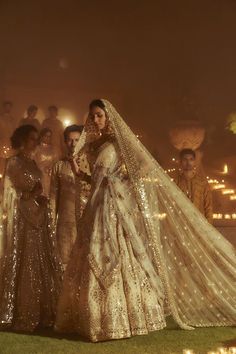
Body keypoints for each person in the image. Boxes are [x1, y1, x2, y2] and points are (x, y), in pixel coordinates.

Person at [55, 99, 236, 342]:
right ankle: (94, 319)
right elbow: (98, 179)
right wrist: (82, 175)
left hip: (115, 212)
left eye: (100, 115)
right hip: (96, 212)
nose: (96, 120)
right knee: (91, 259)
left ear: (109, 117)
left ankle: (126, 318)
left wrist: (118, 187)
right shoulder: (95, 145)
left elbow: (137, 173)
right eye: (93, 116)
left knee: (122, 259)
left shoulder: (119, 143)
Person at [0, 125, 62, 332]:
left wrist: (40, 198)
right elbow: (12, 193)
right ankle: (22, 311)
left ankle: (41, 311)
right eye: (32, 138)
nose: (35, 142)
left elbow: (36, 188)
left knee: (38, 261)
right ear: (22, 140)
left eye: (37, 139)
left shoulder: (32, 162)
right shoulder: (14, 162)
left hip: (37, 215)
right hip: (23, 218)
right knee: (24, 260)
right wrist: (29, 195)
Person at [50, 124, 91, 269]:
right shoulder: (59, 166)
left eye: (76, 140)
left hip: (86, 218)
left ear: (82, 141)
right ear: (65, 142)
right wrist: (51, 222)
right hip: (65, 221)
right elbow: (53, 197)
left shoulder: (89, 164)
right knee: (65, 261)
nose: (73, 144)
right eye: (69, 140)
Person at [175, 149, 213, 223]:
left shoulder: (202, 183)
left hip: (199, 224)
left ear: (194, 162)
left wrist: (208, 226)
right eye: (185, 160)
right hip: (181, 224)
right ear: (180, 162)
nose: (188, 163)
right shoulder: (176, 183)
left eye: (191, 159)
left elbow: (208, 207)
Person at [34, 128, 58, 196]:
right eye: (46, 136)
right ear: (41, 136)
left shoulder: (53, 149)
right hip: (40, 175)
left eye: (49, 136)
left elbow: (56, 162)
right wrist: (41, 168)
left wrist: (51, 168)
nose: (48, 138)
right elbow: (33, 161)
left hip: (51, 175)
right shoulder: (37, 148)